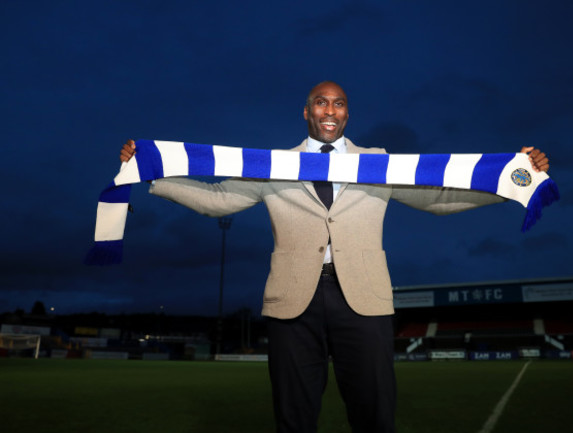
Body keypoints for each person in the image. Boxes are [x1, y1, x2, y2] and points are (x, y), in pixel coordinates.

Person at [119, 81, 549, 433]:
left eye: (339, 103)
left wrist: (514, 183)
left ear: (347, 114)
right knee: (293, 415)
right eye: (321, 102)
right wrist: (152, 174)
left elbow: (437, 197)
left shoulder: (379, 162)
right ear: (306, 113)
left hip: (364, 299)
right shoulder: (275, 164)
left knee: (375, 413)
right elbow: (218, 199)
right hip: (292, 301)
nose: (330, 109)